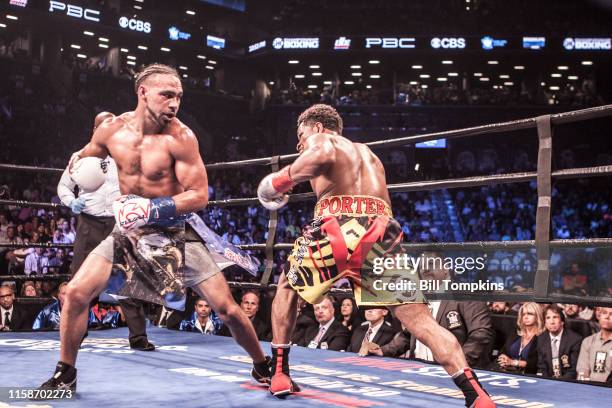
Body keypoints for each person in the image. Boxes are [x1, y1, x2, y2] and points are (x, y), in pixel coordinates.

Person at [38, 63, 269, 393]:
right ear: (142, 93)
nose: (174, 104)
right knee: (75, 293)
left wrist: (152, 206)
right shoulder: (111, 130)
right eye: (167, 95)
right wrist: (78, 165)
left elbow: (200, 195)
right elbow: (87, 156)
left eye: (179, 97)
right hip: (130, 232)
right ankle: (66, 374)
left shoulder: (181, 138)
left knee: (227, 308)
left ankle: (262, 365)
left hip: (175, 231)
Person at [258, 104, 495, 407]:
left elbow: (317, 156)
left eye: (300, 136)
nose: (299, 144)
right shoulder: (369, 155)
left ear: (317, 127)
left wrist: (277, 182)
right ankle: (475, 393)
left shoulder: (324, 141)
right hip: (382, 232)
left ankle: (279, 371)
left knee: (287, 287)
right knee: (420, 321)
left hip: (338, 225)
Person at [57, 111, 155, 352]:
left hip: (118, 223)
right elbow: (63, 187)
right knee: (80, 280)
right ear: (95, 131)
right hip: (89, 223)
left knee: (128, 279)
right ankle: (76, 334)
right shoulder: (79, 157)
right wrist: (72, 202)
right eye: (104, 127)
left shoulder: (128, 157)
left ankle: (138, 336)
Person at [536, 304, 582, 379]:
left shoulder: (575, 339)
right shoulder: (540, 339)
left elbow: (573, 370)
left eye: (555, 317)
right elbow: (542, 367)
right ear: (545, 323)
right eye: (548, 318)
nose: (552, 322)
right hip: (548, 381)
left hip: (566, 382)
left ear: (562, 322)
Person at [497, 302, 544, 374]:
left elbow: (537, 363)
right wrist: (503, 358)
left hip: (530, 375)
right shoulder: (516, 333)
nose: (526, 317)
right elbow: (503, 351)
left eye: (530, 314)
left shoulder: (542, 337)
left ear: (538, 316)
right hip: (507, 372)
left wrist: (513, 362)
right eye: (523, 314)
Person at [576, 307, 612, 383]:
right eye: (604, 313)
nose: (607, 317)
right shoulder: (588, 341)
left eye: (611, 314)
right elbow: (582, 371)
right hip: (590, 389)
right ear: (599, 316)